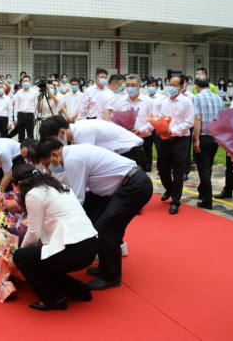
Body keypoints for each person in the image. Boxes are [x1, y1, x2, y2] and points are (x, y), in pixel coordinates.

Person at [36, 139, 153, 291]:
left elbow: (77, 198)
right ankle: (106, 266)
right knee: (97, 224)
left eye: (47, 164)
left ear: (54, 155)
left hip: (133, 186)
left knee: (105, 230)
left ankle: (111, 276)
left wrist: (57, 221)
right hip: (124, 187)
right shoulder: (72, 154)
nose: (48, 168)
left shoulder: (72, 159)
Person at [11, 164, 98, 311]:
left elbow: (33, 233)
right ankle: (79, 289)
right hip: (90, 246)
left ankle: (53, 298)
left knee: (21, 257)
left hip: (74, 251)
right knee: (43, 256)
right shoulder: (59, 187)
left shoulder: (33, 194)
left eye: (14, 187)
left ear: (19, 183)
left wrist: (16, 256)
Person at [39, 116, 145, 166]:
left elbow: (88, 162)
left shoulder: (82, 132)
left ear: (62, 132)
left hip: (132, 154)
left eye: (53, 139)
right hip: (125, 154)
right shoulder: (78, 128)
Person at [157, 75, 194, 215]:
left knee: (178, 172)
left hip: (180, 140)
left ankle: (175, 201)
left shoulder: (186, 102)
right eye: (170, 84)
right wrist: (159, 127)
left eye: (174, 85)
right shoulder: (164, 101)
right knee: (162, 168)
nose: (171, 87)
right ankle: (170, 189)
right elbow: (162, 119)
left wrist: (172, 131)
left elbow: (189, 122)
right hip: (165, 140)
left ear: (182, 87)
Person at [192, 77, 225, 210]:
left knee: (204, 169)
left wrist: (196, 139)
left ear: (197, 86)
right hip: (215, 138)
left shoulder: (196, 98)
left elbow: (197, 118)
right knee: (208, 166)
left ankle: (207, 200)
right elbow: (222, 120)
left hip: (203, 136)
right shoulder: (219, 99)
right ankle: (202, 192)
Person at [116, 74, 155, 165]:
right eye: (127, 85)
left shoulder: (148, 101)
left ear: (139, 86)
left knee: (142, 167)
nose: (130, 88)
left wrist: (141, 130)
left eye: (133, 85)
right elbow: (115, 119)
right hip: (125, 140)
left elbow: (153, 121)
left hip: (143, 139)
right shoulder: (120, 101)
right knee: (126, 167)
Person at [144, 78, 165, 172]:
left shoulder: (162, 98)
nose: (151, 87)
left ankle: (161, 167)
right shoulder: (144, 98)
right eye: (149, 86)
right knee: (146, 147)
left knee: (160, 148)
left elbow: (164, 112)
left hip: (157, 126)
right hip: (147, 125)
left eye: (153, 86)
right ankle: (147, 166)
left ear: (157, 87)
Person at [14, 76, 38, 141]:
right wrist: (15, 118)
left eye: (27, 81)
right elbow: (16, 106)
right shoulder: (19, 92)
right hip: (20, 115)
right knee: (21, 135)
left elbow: (36, 105)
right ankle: (21, 147)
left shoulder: (34, 92)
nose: (25, 82)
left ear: (30, 82)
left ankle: (31, 147)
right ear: (22, 82)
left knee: (30, 135)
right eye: (24, 81)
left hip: (30, 116)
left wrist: (35, 117)